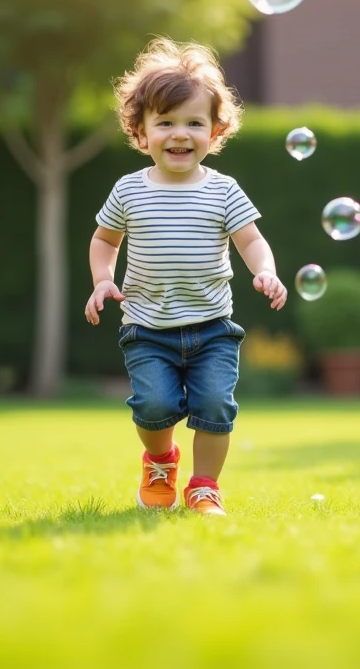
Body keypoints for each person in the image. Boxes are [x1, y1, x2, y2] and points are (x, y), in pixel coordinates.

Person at [85, 37, 287, 516]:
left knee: (215, 406)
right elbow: (104, 240)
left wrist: (266, 271)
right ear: (141, 132)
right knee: (152, 407)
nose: (180, 134)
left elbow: (251, 240)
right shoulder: (129, 190)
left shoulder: (224, 190)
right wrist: (102, 279)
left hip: (212, 328)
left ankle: (204, 487)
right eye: (166, 123)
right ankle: (160, 463)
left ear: (215, 132)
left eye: (194, 123)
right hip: (147, 328)